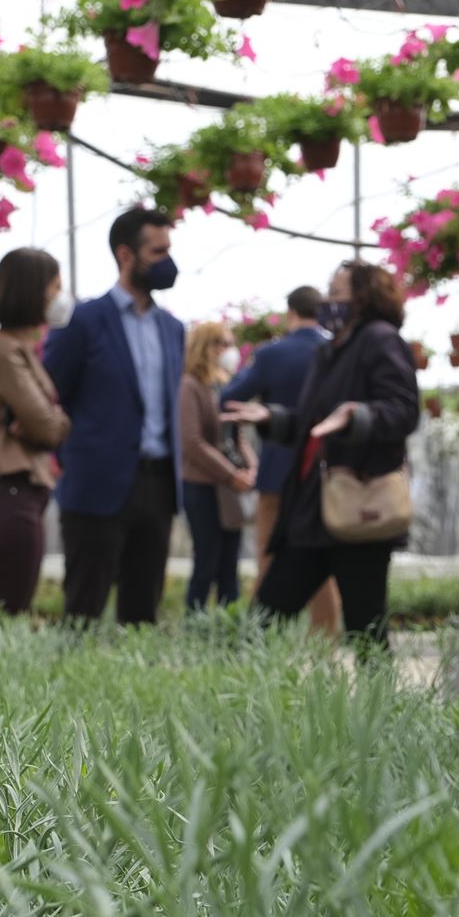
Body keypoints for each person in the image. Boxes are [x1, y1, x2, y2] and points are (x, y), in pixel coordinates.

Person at [223, 261, 419, 648]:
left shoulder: (380, 340)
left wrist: (357, 415)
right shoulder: (331, 351)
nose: (328, 301)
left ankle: (377, 707)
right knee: (264, 617)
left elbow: (403, 409)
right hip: (313, 511)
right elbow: (314, 424)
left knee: (366, 629)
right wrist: (274, 419)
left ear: (363, 297)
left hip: (356, 508)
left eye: (336, 293)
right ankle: (242, 702)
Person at [43, 207, 184, 625]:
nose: (167, 262)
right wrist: (75, 458)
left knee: (143, 615)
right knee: (83, 611)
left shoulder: (173, 329)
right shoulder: (83, 321)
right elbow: (50, 393)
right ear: (126, 255)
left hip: (158, 486)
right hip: (96, 485)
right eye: (157, 252)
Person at [221, 286, 341, 634]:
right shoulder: (334, 350)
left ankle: (261, 644)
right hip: (322, 473)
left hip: (276, 474)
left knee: (268, 558)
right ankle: (325, 649)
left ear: (291, 314)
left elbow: (230, 398)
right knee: (322, 563)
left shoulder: (272, 354)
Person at [0, 248, 72, 614]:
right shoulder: (4, 351)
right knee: (6, 612)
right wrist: (53, 420)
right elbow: (46, 427)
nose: (61, 297)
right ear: (33, 290)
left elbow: (41, 421)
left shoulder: (20, 350)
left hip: (19, 490)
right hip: (7, 489)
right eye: (55, 287)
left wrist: (45, 420)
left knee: (12, 607)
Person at [179, 322, 254, 612]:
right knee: (206, 560)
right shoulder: (190, 386)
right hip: (202, 486)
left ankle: (228, 631)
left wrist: (250, 468)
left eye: (230, 343)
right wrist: (230, 473)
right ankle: (196, 626)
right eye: (220, 343)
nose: (228, 350)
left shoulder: (224, 385)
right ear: (204, 346)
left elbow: (238, 436)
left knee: (229, 564)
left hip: (229, 488)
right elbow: (192, 441)